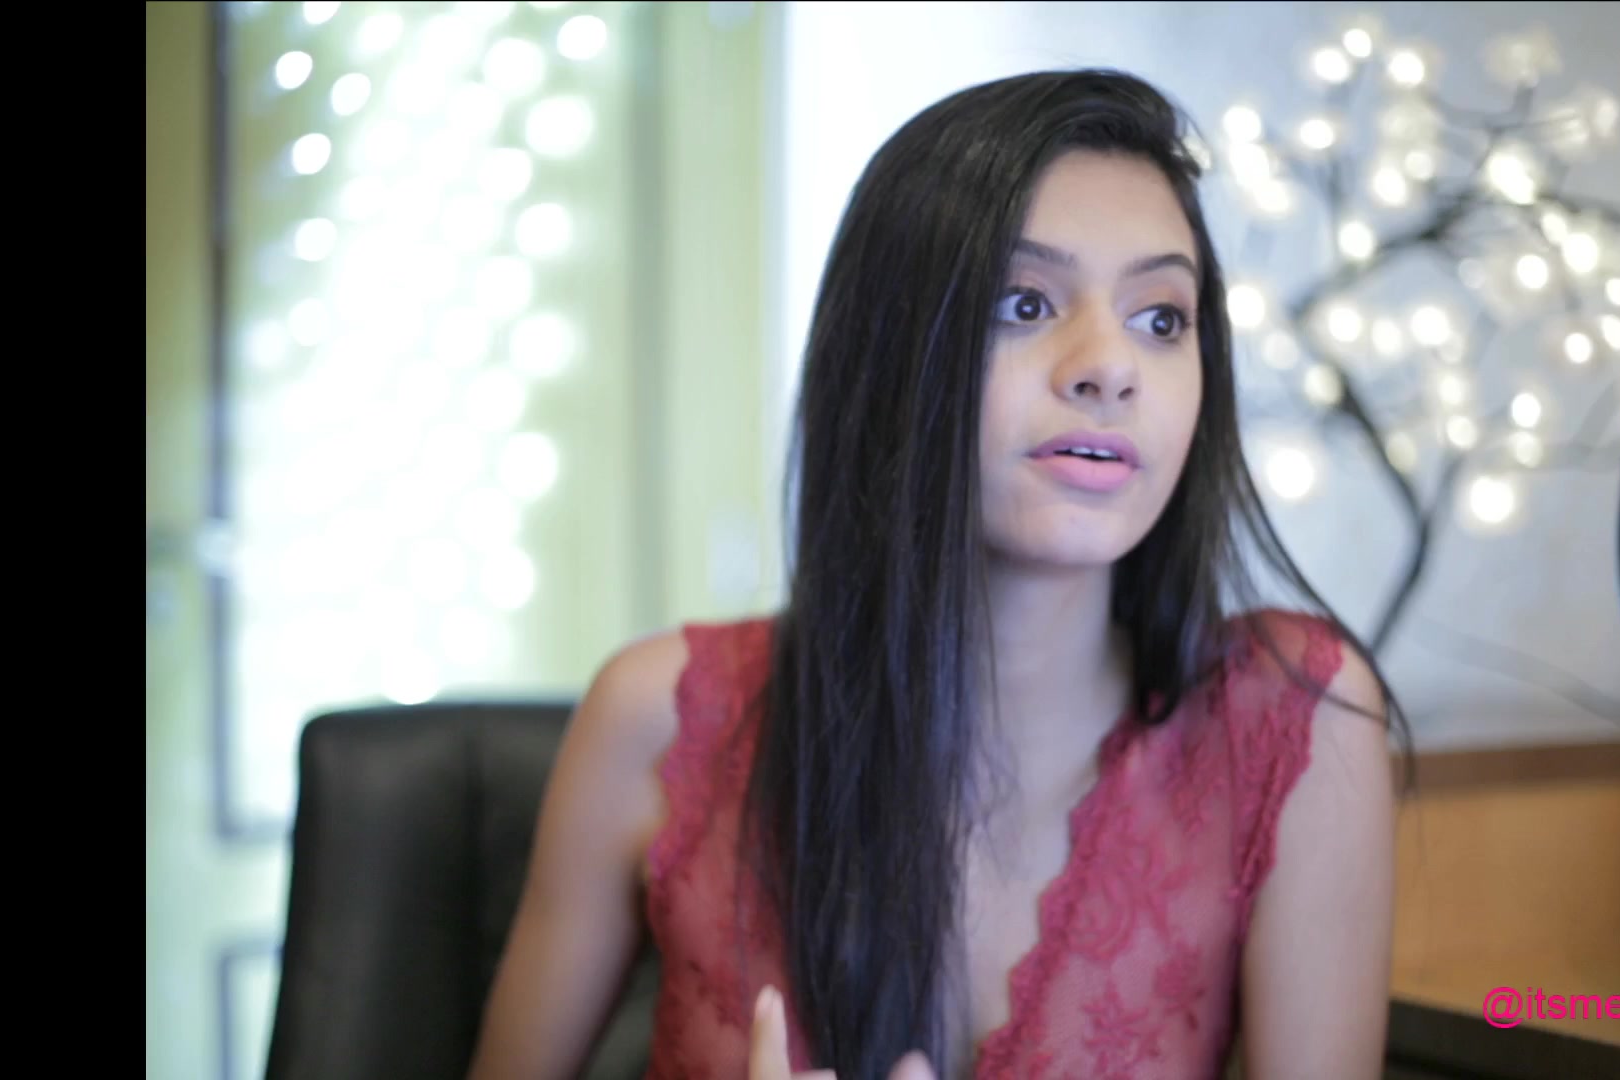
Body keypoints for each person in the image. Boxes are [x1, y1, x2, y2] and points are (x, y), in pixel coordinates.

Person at [467, 68, 1407, 1080]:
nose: (1110, 366)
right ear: (890, 354)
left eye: (1161, 318)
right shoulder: (657, 718)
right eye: (1025, 303)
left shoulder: (1292, 726)